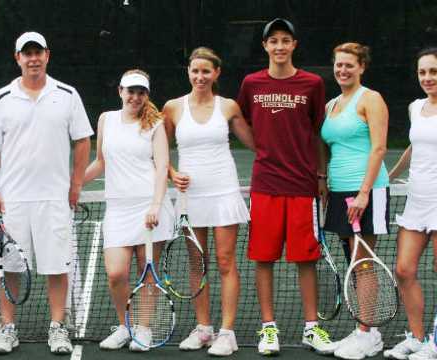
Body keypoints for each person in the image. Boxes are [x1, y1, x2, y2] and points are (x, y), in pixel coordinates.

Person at [0, 31, 93, 355]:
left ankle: (57, 328)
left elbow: (83, 141)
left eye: (37, 52)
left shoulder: (67, 95)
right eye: (26, 54)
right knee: (9, 267)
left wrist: (76, 184)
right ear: (17, 58)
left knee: (57, 266)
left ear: (47, 55)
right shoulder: (0, 99)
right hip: (12, 201)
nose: (33, 59)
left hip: (54, 200)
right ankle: (7, 328)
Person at [236, 18, 337, 356]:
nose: (279, 46)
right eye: (273, 41)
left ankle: (312, 328)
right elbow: (244, 122)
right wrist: (263, 151)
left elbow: (317, 134)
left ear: (294, 45)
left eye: (285, 40)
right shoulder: (251, 84)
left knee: (305, 260)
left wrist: (321, 177)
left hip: (302, 187)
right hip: (265, 186)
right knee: (263, 259)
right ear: (265, 46)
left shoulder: (312, 84)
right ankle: (268, 329)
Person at [163, 47, 254, 356]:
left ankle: (227, 333)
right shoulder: (173, 108)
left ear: (217, 74)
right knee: (197, 262)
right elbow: (158, 150)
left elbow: (257, 143)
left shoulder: (228, 107)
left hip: (224, 191)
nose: (200, 76)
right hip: (191, 197)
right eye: (195, 71)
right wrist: (172, 174)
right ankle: (204, 329)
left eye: (206, 71)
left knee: (227, 261)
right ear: (188, 72)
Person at [83, 70, 174, 352]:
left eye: (141, 92)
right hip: (118, 209)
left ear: (147, 95)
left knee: (147, 272)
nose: (135, 97)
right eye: (130, 91)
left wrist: (156, 205)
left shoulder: (155, 123)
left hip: (149, 207)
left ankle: (143, 329)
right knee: (115, 273)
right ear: (120, 91)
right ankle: (126, 326)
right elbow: (100, 162)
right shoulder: (106, 120)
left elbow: (162, 167)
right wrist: (72, 184)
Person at [319, 42, 390, 360]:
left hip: (367, 191)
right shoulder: (332, 104)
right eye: (338, 64)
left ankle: (369, 333)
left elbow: (378, 148)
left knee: (363, 261)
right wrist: (323, 181)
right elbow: (327, 146)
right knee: (354, 262)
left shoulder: (371, 99)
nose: (342, 70)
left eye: (349, 64)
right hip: (339, 191)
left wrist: (363, 193)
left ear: (361, 67)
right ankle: (362, 328)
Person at [383, 47, 437, 360]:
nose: (428, 78)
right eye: (423, 72)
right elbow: (414, 148)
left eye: (433, 72)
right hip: (417, 200)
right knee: (404, 269)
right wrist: (387, 177)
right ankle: (417, 338)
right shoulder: (415, 107)